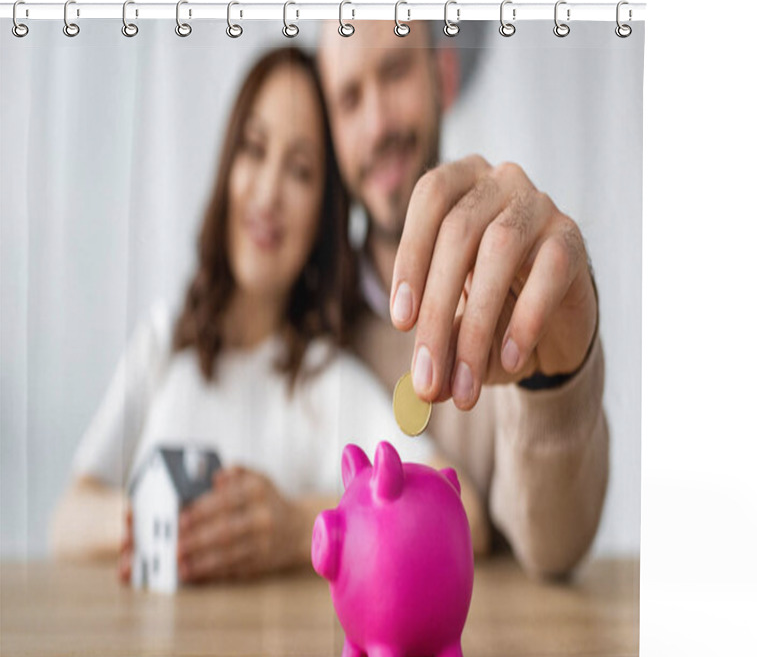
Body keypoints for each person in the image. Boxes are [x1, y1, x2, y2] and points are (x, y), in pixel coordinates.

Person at [49, 47, 485, 583]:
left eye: (300, 171)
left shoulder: (326, 383)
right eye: (254, 150)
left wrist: (296, 525)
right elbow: (67, 520)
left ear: (324, 216)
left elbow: (461, 507)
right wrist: (171, 523)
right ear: (227, 164)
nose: (268, 193)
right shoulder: (162, 346)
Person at [315, 21, 610, 578]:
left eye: (396, 70)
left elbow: (556, 550)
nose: (376, 123)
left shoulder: (505, 286)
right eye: (349, 99)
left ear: (442, 77)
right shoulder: (315, 317)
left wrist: (556, 380)